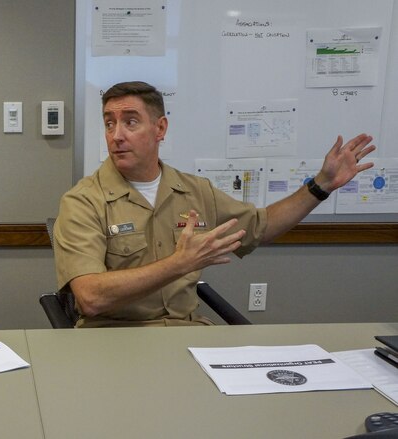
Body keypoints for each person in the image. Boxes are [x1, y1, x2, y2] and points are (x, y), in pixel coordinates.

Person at [53, 81, 375, 328]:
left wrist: (321, 186)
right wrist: (177, 264)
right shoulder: (84, 201)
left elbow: (260, 227)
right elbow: (91, 297)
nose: (116, 135)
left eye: (130, 122)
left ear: (160, 128)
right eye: (109, 123)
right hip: (113, 341)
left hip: (187, 338)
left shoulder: (195, 191)